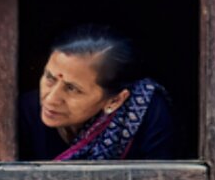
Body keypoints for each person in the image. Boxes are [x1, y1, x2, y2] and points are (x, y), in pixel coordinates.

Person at [19, 26, 176, 161]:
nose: (51, 99)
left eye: (72, 88)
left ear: (114, 101)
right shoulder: (24, 112)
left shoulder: (146, 113)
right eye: (50, 78)